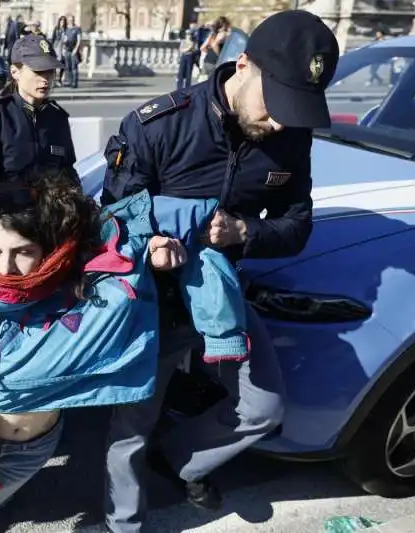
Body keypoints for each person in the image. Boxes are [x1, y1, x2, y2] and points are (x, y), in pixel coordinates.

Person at [100, 10, 340, 533]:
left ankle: (183, 458)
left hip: (224, 293)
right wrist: (152, 242)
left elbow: (297, 226)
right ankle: (125, 524)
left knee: (263, 406)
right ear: (243, 63)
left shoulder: (292, 136)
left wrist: (245, 234)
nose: (280, 122)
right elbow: (111, 220)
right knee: (131, 429)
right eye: (275, 104)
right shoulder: (159, 125)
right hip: (153, 298)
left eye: (294, 110)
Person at [0, 167, 253, 517]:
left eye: (22, 251)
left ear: (46, 249)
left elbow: (156, 216)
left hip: (32, 451)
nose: (6, 268)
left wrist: (219, 324)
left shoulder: (74, 282)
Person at [0, 35, 75, 218]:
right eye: (38, 71)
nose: (46, 79)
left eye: (50, 71)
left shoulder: (57, 118)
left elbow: (68, 173)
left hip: (51, 219)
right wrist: (1, 220)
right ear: (14, 72)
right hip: (6, 219)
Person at [61, 15, 82, 89]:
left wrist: (76, 49)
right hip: (67, 50)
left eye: (72, 20)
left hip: (74, 50)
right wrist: (63, 49)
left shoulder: (77, 29)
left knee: (74, 67)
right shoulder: (65, 29)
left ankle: (74, 82)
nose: (71, 21)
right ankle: (70, 81)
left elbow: (79, 40)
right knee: (68, 67)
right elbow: (63, 39)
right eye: (69, 20)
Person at [51, 16, 68, 86]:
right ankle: (53, 80)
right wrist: (51, 48)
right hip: (56, 47)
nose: (62, 23)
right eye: (61, 21)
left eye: (64, 21)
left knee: (62, 64)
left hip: (63, 48)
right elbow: (53, 38)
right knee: (54, 64)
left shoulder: (66, 29)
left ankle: (60, 80)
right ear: (59, 21)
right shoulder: (56, 28)